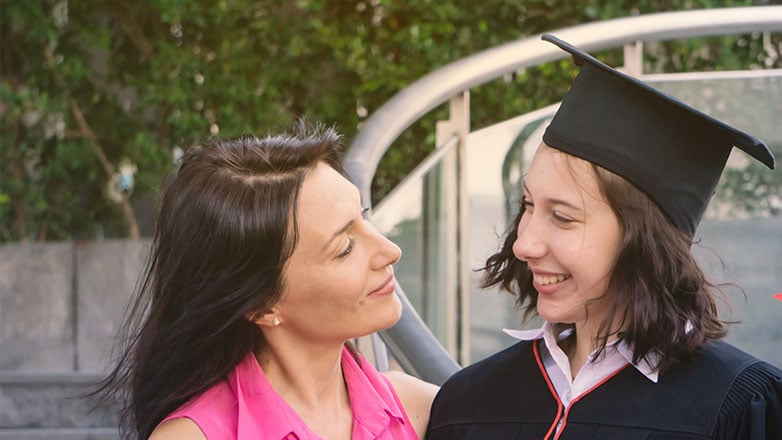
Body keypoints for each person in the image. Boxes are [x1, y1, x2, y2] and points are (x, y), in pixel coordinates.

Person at [426, 35, 782, 439]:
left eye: (563, 217)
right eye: (527, 204)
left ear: (647, 243)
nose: (523, 245)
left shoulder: (739, 412)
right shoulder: (470, 403)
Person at [95, 121, 438, 439]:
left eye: (364, 218)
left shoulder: (420, 409)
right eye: (345, 248)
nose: (390, 251)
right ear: (262, 305)